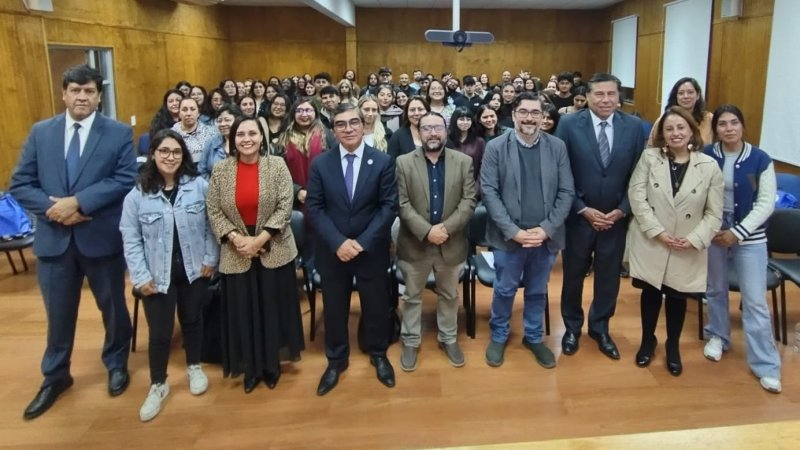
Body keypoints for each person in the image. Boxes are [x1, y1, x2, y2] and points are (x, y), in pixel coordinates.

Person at [10, 64, 137, 420]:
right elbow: (21, 183)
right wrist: (56, 210)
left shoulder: (116, 133)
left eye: (89, 91)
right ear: (64, 93)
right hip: (55, 240)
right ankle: (55, 376)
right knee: (58, 315)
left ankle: (116, 363)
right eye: (76, 90)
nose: (82, 97)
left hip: (100, 237)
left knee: (113, 308)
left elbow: (125, 178)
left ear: (99, 96)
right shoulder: (41, 133)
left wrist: (79, 202)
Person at [119, 130, 219, 422]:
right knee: (160, 332)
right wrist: (140, 276)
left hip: (193, 269)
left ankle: (193, 366)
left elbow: (213, 226)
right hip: (156, 274)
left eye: (176, 152)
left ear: (183, 156)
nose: (170, 157)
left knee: (192, 320)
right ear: (153, 154)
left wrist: (210, 259)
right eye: (164, 151)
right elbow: (131, 238)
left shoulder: (199, 186)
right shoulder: (138, 193)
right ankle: (158, 384)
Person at [206, 116, 304, 394]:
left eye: (252, 133)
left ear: (262, 137)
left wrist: (259, 239)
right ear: (232, 139)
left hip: (273, 245)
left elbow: (286, 206)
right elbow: (213, 210)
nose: (246, 139)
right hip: (236, 249)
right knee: (244, 311)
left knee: (271, 309)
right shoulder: (221, 170)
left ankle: (271, 366)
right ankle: (250, 367)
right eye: (240, 134)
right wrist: (239, 240)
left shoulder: (276, 165)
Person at [306, 103, 398, 396]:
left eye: (354, 123)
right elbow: (315, 208)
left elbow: (388, 207)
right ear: (333, 130)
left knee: (374, 305)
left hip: (370, 249)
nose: (348, 129)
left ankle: (378, 353)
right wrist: (339, 243)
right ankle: (336, 360)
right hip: (333, 251)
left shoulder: (382, 161)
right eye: (341, 124)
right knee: (334, 308)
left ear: (363, 125)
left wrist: (361, 243)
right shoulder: (321, 164)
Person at [480, 91, 575, 368]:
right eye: (524, 112)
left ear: (544, 116)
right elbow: (489, 191)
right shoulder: (496, 147)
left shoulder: (557, 146)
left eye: (536, 113)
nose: (530, 118)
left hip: (544, 238)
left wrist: (545, 229)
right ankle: (499, 335)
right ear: (514, 115)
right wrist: (513, 231)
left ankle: (533, 337)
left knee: (537, 291)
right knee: (505, 289)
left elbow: (566, 191)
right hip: (508, 237)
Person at [627, 106, 722, 376]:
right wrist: (657, 231)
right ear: (662, 134)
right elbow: (637, 197)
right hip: (653, 240)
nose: (675, 133)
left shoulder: (709, 166)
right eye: (669, 129)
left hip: (685, 244)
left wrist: (694, 239)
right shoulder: (649, 158)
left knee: (678, 297)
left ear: (692, 130)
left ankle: (673, 345)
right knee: (650, 293)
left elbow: (714, 213)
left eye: (681, 127)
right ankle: (648, 340)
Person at [556, 73, 644, 361]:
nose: (606, 100)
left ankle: (600, 327)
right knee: (573, 276)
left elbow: (638, 174)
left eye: (611, 94)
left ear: (619, 97)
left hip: (615, 219)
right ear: (588, 96)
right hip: (579, 217)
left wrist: (623, 209)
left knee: (609, 278)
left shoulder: (633, 127)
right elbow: (561, 170)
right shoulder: (569, 124)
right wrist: (581, 207)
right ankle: (571, 327)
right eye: (599, 94)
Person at [702, 104, 783, 393]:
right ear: (716, 130)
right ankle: (717, 336)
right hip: (714, 236)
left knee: (755, 302)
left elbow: (766, 203)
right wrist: (712, 230)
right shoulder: (707, 155)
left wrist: (737, 233)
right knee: (715, 290)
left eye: (734, 123)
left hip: (750, 240)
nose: (728, 129)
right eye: (722, 124)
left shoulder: (760, 159)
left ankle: (766, 364)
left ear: (743, 125)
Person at [395, 112, 477, 371]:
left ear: (446, 131)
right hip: (414, 244)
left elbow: (469, 201)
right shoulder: (403, 162)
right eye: (426, 128)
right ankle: (410, 340)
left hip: (451, 244)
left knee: (449, 295)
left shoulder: (463, 161)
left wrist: (445, 229)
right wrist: (427, 231)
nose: (432, 133)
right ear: (418, 132)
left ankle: (448, 338)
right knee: (411, 296)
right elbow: (402, 203)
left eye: (438, 128)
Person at [648, 77, 713, 147]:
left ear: (698, 95)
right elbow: (651, 147)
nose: (686, 96)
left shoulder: (709, 118)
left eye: (690, 92)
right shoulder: (664, 120)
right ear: (676, 97)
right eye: (681, 93)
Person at [446, 106, 485, 193]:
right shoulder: (446, 140)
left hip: (473, 188)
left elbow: (483, 168)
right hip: (449, 189)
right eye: (461, 119)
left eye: (468, 119)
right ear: (455, 120)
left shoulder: (479, 142)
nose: (465, 122)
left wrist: (476, 188)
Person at [171, 97, 220, 164]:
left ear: (198, 113)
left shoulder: (212, 132)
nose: (188, 113)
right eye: (184, 110)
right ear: (179, 113)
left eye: (192, 109)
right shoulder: (171, 135)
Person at [199, 103, 241, 178]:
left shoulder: (244, 142)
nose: (222, 124)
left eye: (227, 120)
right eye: (219, 121)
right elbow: (202, 170)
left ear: (237, 120)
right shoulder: (211, 143)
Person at [387, 96, 429, 160]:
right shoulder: (397, 136)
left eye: (420, 109)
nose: (416, 113)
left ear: (427, 111)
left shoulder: (437, 133)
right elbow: (391, 165)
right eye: (412, 110)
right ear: (407, 113)